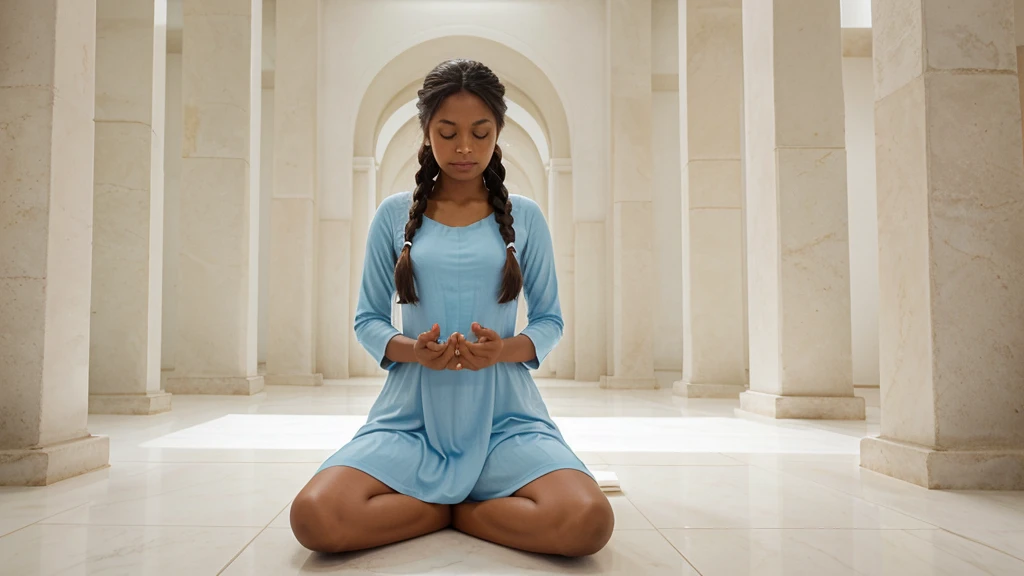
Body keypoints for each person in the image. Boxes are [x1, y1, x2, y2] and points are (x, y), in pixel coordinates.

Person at [288, 59, 614, 558]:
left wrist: (503, 350)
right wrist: (412, 351)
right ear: (426, 134)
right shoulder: (393, 216)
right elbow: (368, 320)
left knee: (588, 522)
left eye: (480, 133)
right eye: (448, 133)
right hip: (410, 417)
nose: (465, 148)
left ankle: (451, 508)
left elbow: (549, 320)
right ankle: (457, 506)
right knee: (315, 517)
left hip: (507, 419)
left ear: (498, 133)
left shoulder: (524, 218)